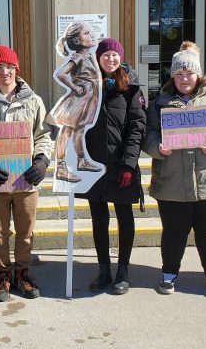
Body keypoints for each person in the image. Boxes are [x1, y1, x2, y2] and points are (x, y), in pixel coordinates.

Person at [143, 41, 206, 298]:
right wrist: (158, 147)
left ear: (198, 74)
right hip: (172, 180)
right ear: (172, 76)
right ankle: (169, 274)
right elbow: (147, 133)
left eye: (189, 72)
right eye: (179, 73)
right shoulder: (160, 103)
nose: (184, 78)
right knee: (174, 232)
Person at [0, 45, 53, 302]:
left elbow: (44, 135)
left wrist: (41, 161)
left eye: (9, 67)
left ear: (16, 68)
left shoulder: (34, 101)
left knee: (26, 231)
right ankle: (3, 273)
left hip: (26, 180)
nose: (4, 72)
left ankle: (22, 273)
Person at [75, 38, 146, 295]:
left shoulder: (131, 88)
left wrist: (129, 164)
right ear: (99, 58)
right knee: (99, 218)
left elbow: (137, 128)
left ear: (120, 58)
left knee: (124, 217)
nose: (110, 59)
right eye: (105, 55)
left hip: (120, 167)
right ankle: (103, 269)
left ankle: (123, 271)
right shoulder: (87, 86)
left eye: (114, 55)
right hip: (93, 166)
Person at [50, 22, 103, 183]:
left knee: (79, 129)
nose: (91, 35)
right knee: (66, 131)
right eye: (86, 33)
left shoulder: (88, 55)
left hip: (89, 97)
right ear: (78, 41)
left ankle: (81, 160)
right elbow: (61, 74)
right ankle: (60, 167)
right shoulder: (78, 56)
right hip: (79, 99)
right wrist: (75, 87)